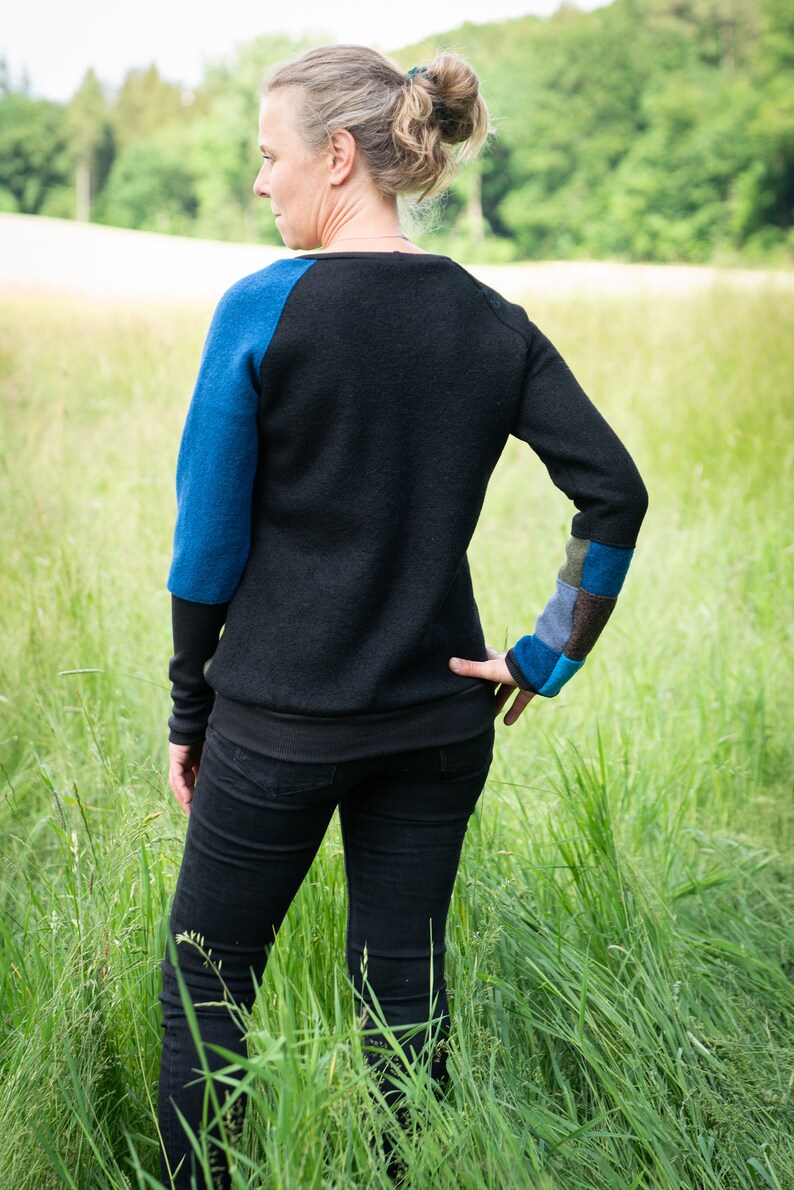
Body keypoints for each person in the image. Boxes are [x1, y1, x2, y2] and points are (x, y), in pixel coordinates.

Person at [158, 43, 648, 1188]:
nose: (258, 181)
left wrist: (190, 704)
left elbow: (206, 542)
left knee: (206, 991)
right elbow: (614, 493)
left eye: (268, 156)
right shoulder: (490, 320)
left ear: (337, 156)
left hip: (274, 724)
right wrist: (546, 652)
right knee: (404, 997)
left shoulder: (261, 307)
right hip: (437, 723)